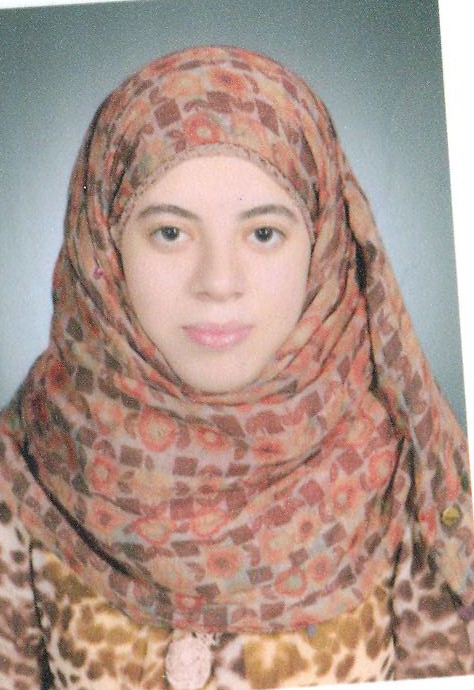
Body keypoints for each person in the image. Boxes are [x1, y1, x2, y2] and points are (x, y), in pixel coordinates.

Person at [0, 45, 473, 690]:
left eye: (263, 233)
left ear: (325, 246)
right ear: (104, 249)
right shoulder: (24, 464)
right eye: (170, 233)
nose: (219, 282)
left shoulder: (409, 469)